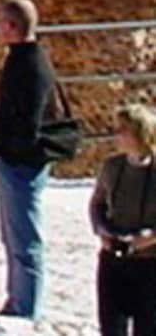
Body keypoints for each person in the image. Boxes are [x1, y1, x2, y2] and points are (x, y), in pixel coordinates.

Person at [0, 0, 58, 322]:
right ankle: (16, 299)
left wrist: (7, 150)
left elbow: (27, 122)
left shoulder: (30, 66)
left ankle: (27, 309)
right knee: (12, 235)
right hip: (13, 161)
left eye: (1, 21)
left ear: (12, 27)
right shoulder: (22, 59)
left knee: (25, 239)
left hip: (21, 164)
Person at [90, 102, 156, 336]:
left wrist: (149, 238)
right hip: (114, 260)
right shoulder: (112, 166)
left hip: (150, 264)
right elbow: (97, 204)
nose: (117, 135)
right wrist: (102, 231)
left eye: (123, 129)